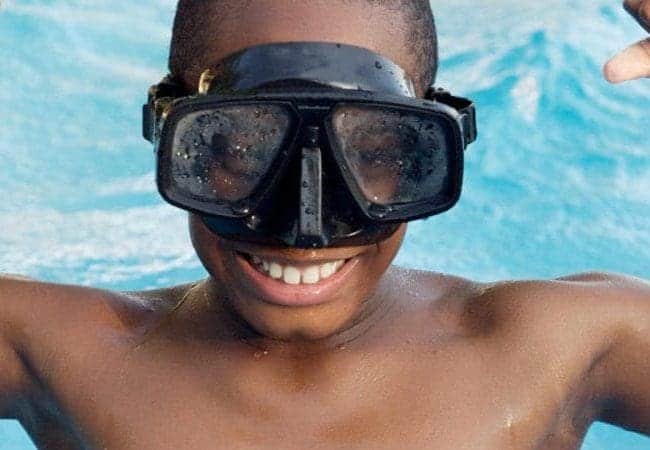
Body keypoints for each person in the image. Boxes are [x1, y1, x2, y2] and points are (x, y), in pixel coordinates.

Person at [0, 0, 648, 448]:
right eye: (243, 148)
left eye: (372, 152)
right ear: (170, 138)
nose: (305, 229)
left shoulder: (551, 349)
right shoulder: (64, 352)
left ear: (428, 153)